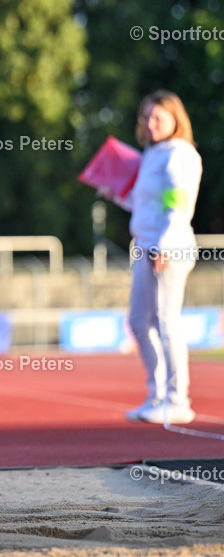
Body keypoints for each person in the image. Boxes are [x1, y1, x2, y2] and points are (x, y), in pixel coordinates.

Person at [103, 90, 202, 425]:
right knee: (138, 323)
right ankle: (157, 394)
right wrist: (116, 195)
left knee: (166, 321)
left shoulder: (179, 154)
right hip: (146, 246)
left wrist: (165, 245)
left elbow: (178, 205)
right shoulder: (151, 154)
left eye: (158, 116)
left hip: (167, 248)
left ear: (176, 118)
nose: (150, 122)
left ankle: (179, 400)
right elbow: (145, 207)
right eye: (146, 116)